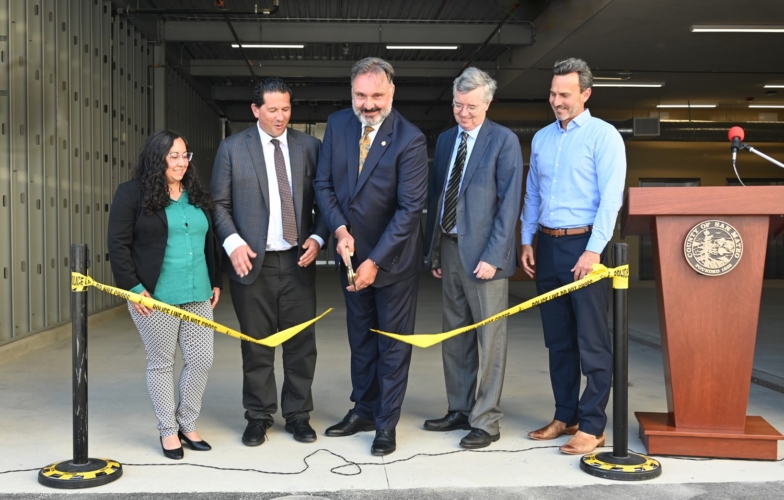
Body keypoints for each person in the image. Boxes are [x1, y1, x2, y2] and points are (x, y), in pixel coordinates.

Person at [314, 57, 428, 456]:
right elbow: (323, 185)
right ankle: (363, 409)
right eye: (361, 96)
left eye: (376, 96)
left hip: (392, 263)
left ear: (391, 93)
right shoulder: (338, 124)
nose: (368, 104)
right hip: (349, 257)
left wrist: (374, 261)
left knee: (392, 345)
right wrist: (341, 230)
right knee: (360, 340)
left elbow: (409, 210)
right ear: (352, 93)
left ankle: (386, 423)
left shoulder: (410, 139)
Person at [211, 77, 327, 446]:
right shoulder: (232, 149)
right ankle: (258, 416)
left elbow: (327, 201)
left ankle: (298, 414)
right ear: (255, 110)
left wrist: (319, 236)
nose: (281, 117)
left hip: (298, 262)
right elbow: (218, 204)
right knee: (256, 344)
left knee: (300, 344)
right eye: (273, 109)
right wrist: (232, 243)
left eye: (287, 109)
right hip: (252, 265)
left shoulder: (310, 147)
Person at [521, 57, 626, 455]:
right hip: (547, 246)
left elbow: (610, 199)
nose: (557, 101)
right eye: (552, 93)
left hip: (585, 247)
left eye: (565, 94)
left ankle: (594, 425)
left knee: (593, 340)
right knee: (559, 341)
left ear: (586, 93)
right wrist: (527, 238)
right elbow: (532, 192)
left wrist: (594, 251)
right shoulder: (543, 138)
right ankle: (565, 415)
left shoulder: (604, 136)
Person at [423, 67, 523, 449]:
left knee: (489, 339)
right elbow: (438, 198)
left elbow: (508, 203)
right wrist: (434, 249)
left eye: (471, 107)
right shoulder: (447, 140)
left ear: (488, 102)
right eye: (457, 105)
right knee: (456, 336)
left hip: (485, 256)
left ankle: (487, 420)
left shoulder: (503, 141)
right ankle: (460, 409)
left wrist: (495, 256)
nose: (463, 113)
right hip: (448, 249)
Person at [108, 130, 222, 460]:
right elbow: (118, 245)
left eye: (185, 155)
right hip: (154, 296)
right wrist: (133, 288)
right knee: (161, 363)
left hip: (198, 292)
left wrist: (215, 281)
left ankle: (187, 423)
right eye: (173, 155)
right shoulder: (131, 194)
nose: (180, 162)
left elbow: (209, 241)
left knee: (201, 360)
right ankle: (167, 430)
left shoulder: (197, 194)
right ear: (157, 158)